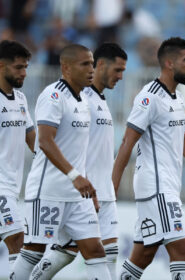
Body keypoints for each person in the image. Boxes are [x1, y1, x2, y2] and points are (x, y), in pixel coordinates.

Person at [112, 37, 185, 280]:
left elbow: (184, 143)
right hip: (155, 185)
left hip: (167, 185)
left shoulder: (178, 99)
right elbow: (127, 141)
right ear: (169, 63)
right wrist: (112, 183)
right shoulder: (149, 97)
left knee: (143, 255)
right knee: (182, 251)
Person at [12, 44, 112, 280]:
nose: (92, 69)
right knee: (34, 250)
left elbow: (80, 152)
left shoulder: (83, 101)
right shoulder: (53, 95)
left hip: (78, 195)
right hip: (49, 190)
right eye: (85, 64)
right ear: (66, 68)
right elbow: (45, 142)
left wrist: (90, 188)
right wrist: (75, 176)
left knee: (95, 250)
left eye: (92, 63)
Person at [0, 40, 34, 277]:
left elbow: (33, 140)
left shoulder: (20, 100)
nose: (24, 73)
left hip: (13, 186)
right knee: (17, 239)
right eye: (18, 67)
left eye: (25, 67)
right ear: (1, 66)